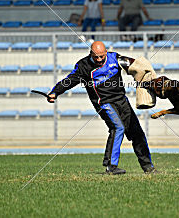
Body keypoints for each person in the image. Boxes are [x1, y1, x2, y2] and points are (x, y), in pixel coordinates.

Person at [48, 41, 157, 175]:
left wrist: (145, 74)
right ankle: (111, 166)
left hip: (122, 101)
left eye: (102, 56)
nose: (99, 60)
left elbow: (134, 66)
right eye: (96, 57)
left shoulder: (115, 58)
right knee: (118, 128)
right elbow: (69, 80)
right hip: (104, 103)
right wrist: (55, 92)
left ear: (106, 53)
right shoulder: (83, 66)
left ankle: (148, 167)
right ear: (91, 54)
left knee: (137, 133)